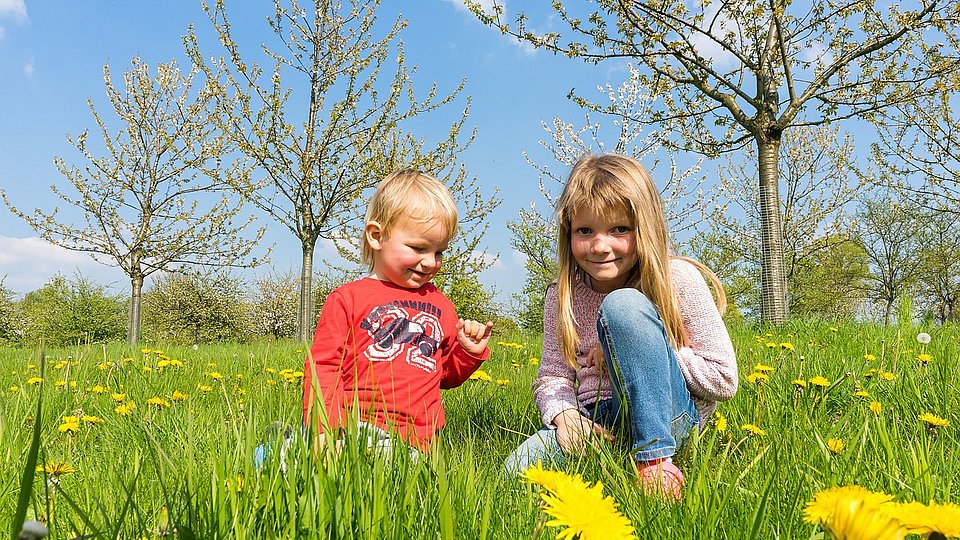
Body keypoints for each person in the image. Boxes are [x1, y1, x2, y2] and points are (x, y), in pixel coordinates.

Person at [503, 154, 738, 499]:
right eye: (585, 231)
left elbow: (724, 379)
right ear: (568, 232)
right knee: (517, 472)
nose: (600, 246)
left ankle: (655, 461)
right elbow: (552, 376)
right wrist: (565, 415)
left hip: (670, 417)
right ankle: (614, 454)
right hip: (596, 419)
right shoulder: (560, 295)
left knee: (623, 306)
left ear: (645, 228)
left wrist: (643, 348)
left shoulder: (679, 280)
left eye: (619, 229)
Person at [301, 169, 494, 456]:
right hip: (354, 430)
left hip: (419, 443)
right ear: (377, 236)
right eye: (418, 248)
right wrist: (325, 429)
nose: (430, 262)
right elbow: (323, 368)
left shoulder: (440, 304)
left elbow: (446, 376)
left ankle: (286, 449)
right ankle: (286, 450)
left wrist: (468, 353)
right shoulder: (348, 299)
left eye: (439, 251)